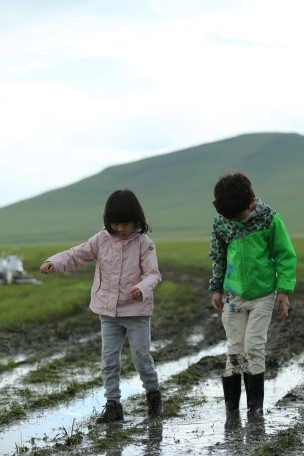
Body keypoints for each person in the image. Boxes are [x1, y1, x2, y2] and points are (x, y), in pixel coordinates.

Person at [39, 189, 162, 423]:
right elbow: (77, 255)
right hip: (108, 312)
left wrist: (142, 288)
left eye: (125, 224)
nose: (119, 229)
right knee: (109, 360)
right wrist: (54, 261)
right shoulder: (101, 239)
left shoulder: (144, 244)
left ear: (136, 220)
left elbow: (153, 275)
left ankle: (153, 396)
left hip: (136, 312)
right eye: (115, 224)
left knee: (141, 357)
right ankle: (113, 405)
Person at [208, 172, 296, 415]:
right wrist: (216, 287)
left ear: (252, 202)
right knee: (235, 348)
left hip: (263, 296)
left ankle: (255, 409)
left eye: (240, 215)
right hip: (233, 297)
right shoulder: (222, 222)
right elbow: (218, 257)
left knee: (254, 346)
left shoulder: (270, 220)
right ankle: (232, 409)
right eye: (232, 217)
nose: (237, 220)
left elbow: (285, 255)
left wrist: (284, 291)